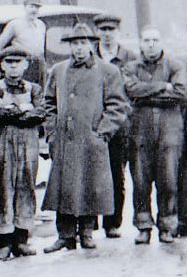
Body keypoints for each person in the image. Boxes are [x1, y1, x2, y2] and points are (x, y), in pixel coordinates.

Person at [42, 24, 128, 253]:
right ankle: (65, 235)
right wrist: (51, 132)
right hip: (64, 140)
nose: (79, 48)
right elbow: (48, 103)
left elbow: (118, 106)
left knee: (90, 184)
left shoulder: (107, 71)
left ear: (91, 44)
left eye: (83, 43)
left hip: (91, 140)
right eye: (74, 43)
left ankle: (86, 233)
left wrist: (101, 132)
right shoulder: (58, 70)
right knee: (64, 186)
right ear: (69, 46)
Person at [122, 26, 186, 244]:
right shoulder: (131, 67)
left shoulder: (176, 65)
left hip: (169, 133)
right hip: (139, 132)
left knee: (168, 180)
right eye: (146, 40)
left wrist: (145, 93)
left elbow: (180, 92)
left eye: (155, 40)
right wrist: (162, 87)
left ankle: (167, 226)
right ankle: (143, 226)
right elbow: (131, 91)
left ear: (161, 42)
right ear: (140, 43)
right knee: (140, 181)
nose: (151, 44)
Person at [0, 45, 46, 260]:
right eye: (9, 62)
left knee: (26, 186)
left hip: (28, 145)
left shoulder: (35, 88)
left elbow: (40, 113)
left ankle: (22, 239)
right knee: (2, 187)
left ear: (26, 65)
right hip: (2, 144)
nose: (13, 67)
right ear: (2, 64)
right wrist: (23, 110)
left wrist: (14, 111)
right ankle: (4, 241)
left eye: (18, 62)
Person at [93, 14, 137, 238]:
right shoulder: (90, 55)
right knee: (91, 172)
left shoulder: (129, 57)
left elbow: (134, 90)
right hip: (92, 122)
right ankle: (90, 224)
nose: (107, 34)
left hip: (119, 124)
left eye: (111, 30)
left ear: (118, 32)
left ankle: (112, 222)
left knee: (115, 173)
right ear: (97, 32)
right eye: (103, 30)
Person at [0, 0, 47, 84]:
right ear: (25, 7)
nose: (34, 10)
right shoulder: (15, 24)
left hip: (40, 64)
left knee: (39, 92)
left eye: (37, 7)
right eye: (31, 6)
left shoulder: (41, 25)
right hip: (23, 64)